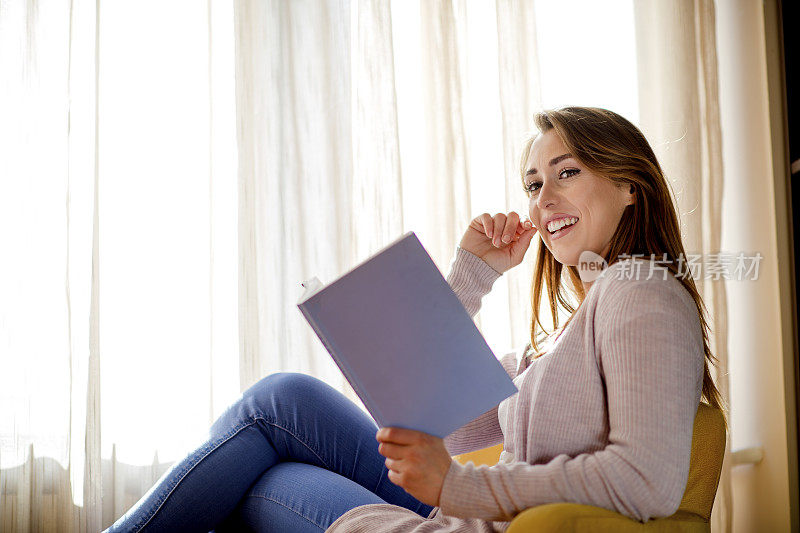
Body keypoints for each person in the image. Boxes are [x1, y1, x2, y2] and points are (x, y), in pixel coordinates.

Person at [105, 106, 725, 533]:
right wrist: (473, 274)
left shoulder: (640, 292)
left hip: (467, 520)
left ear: (629, 186)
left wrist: (457, 489)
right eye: (534, 183)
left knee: (264, 465)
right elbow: (437, 423)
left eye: (568, 172)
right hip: (462, 514)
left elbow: (644, 481)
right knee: (283, 399)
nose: (543, 199)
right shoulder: (578, 325)